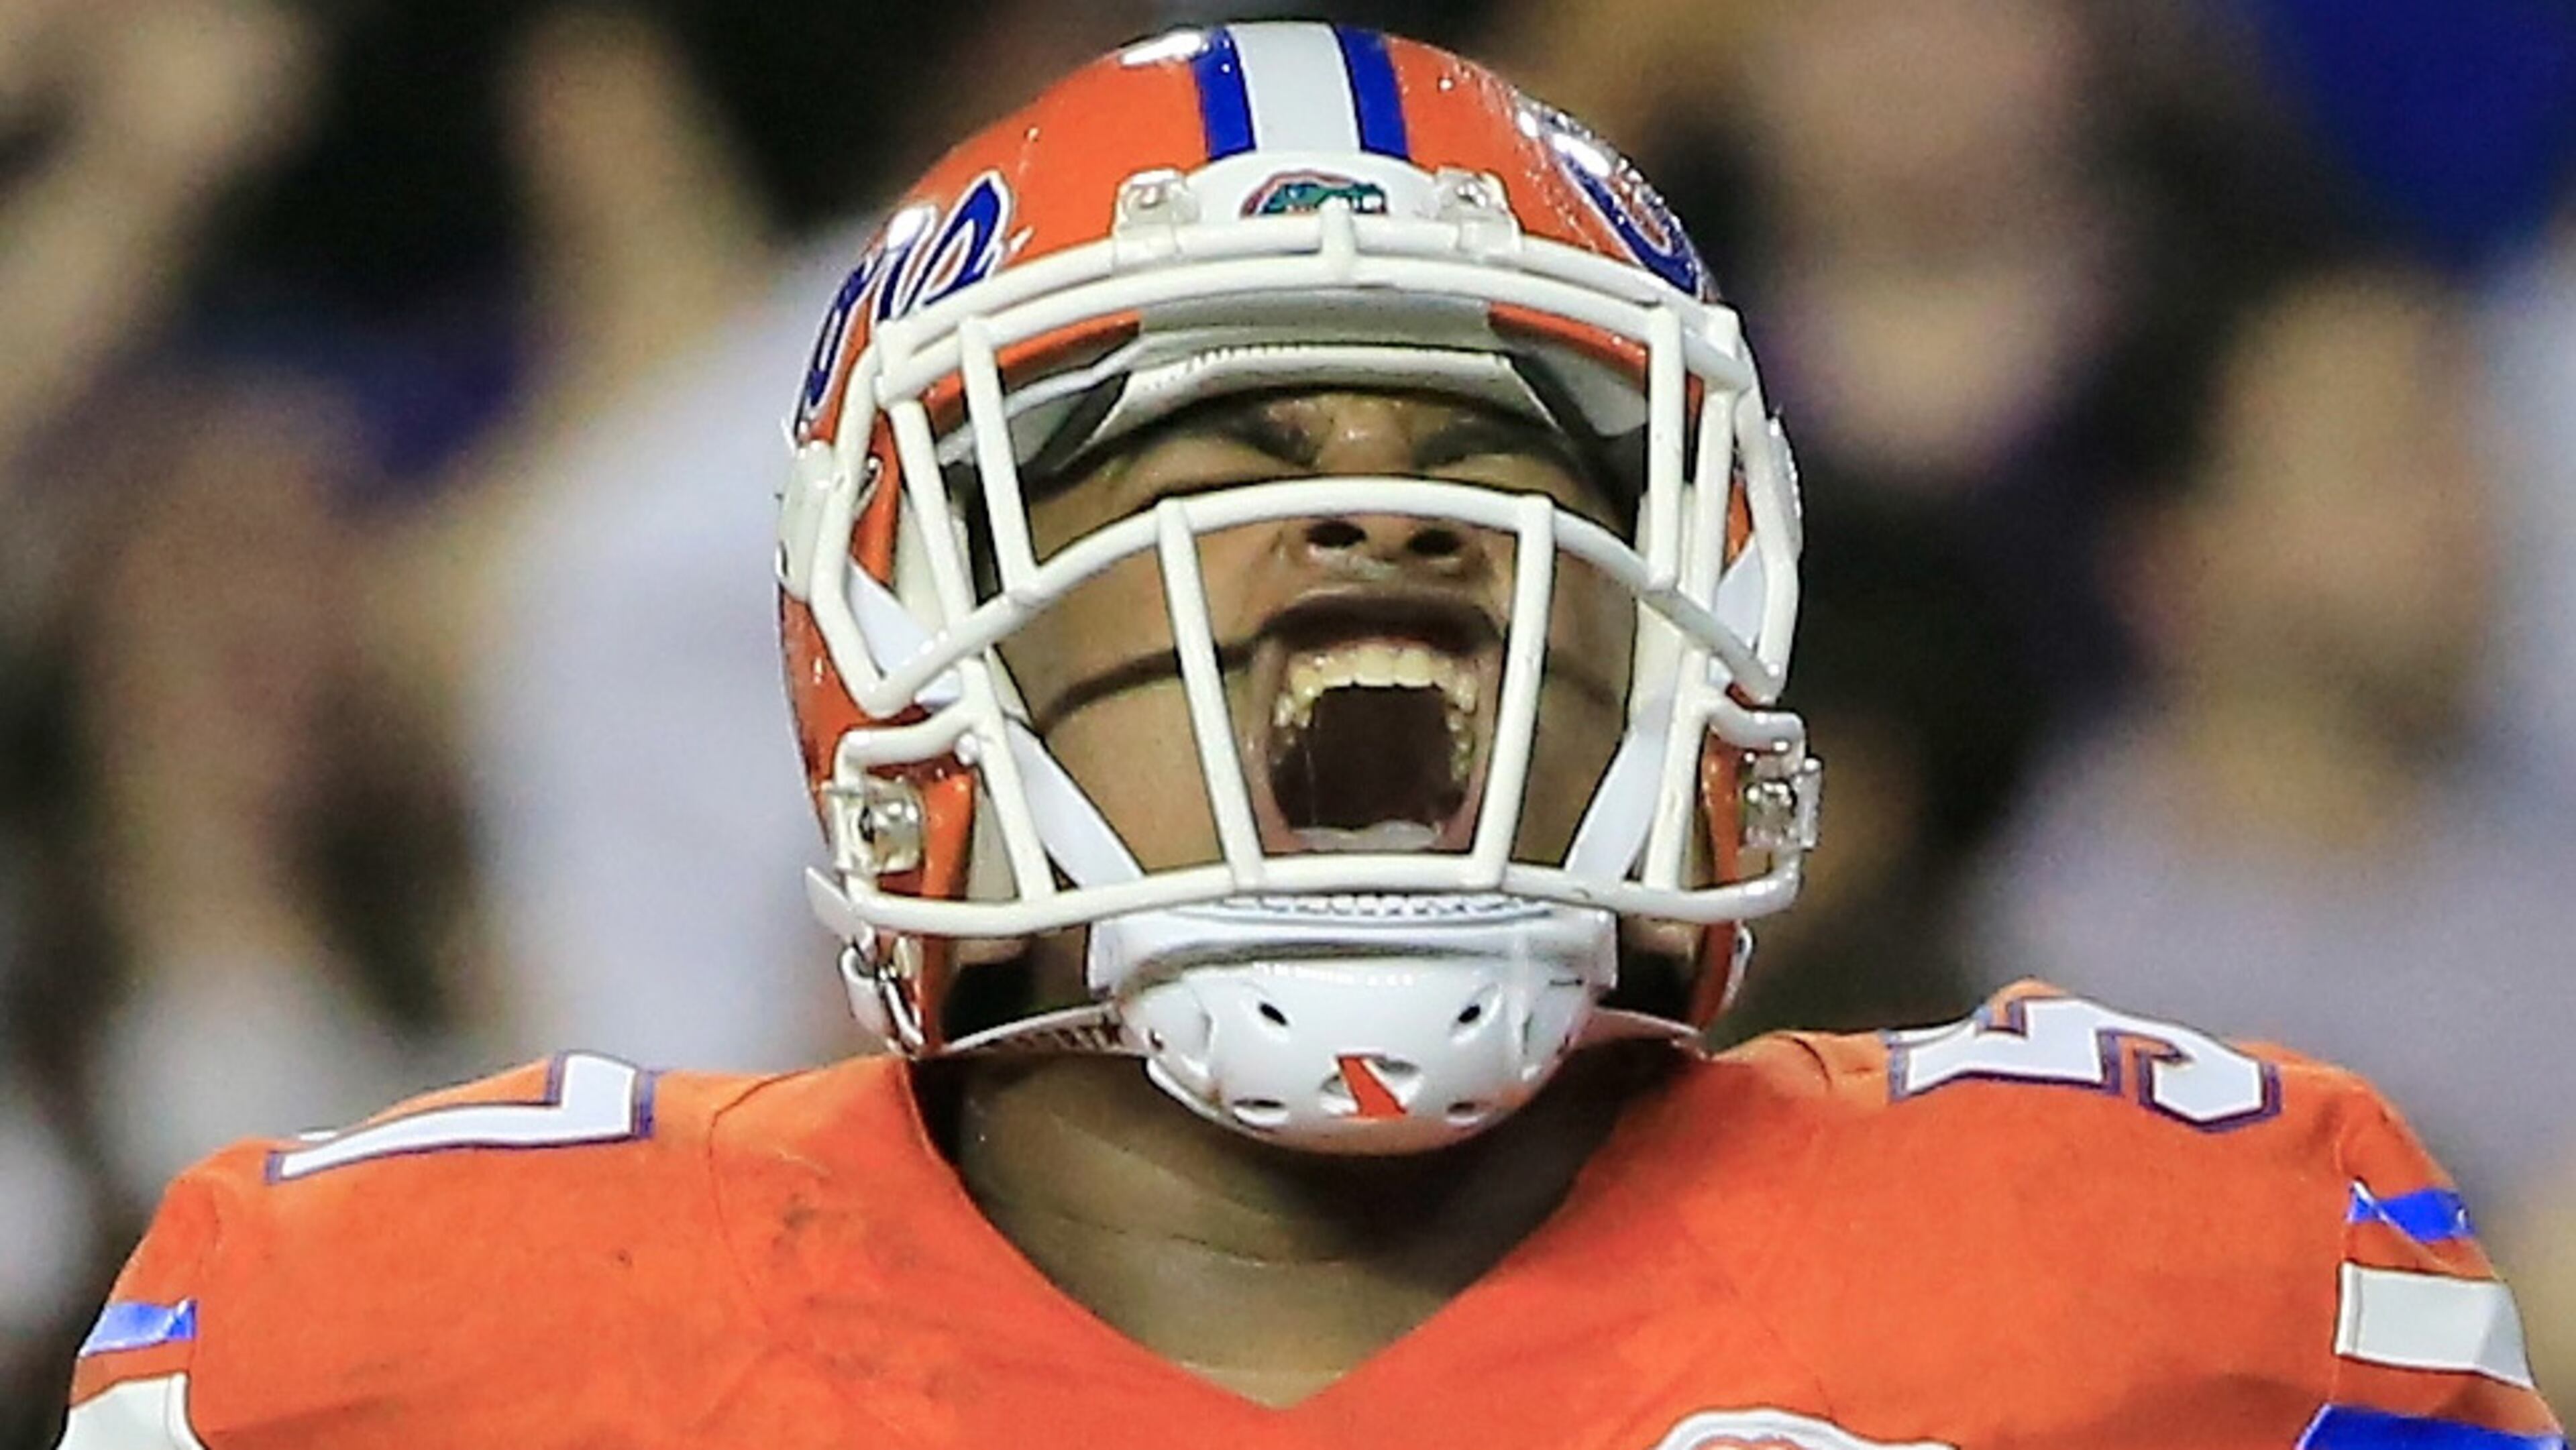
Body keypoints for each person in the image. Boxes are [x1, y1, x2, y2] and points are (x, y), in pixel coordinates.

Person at [56, 25, 2563, 1449]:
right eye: (1228, 469)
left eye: (1496, 466)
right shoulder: (401, 1346)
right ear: (912, 634)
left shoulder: (2172, 1286)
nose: (1385, 539)